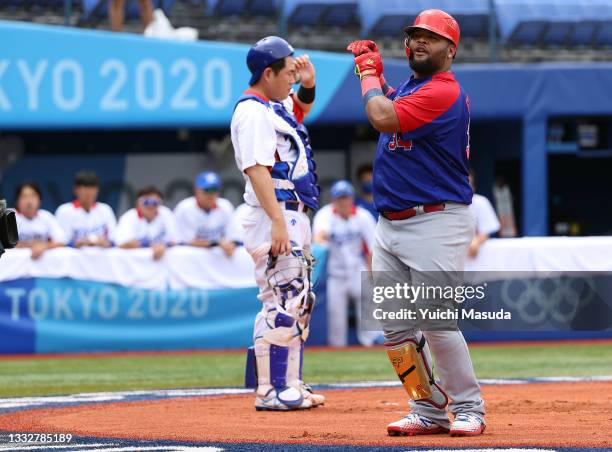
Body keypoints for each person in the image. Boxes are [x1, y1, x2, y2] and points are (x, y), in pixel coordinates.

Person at [347, 9, 486, 437]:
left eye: (431, 36)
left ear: (451, 49)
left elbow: (383, 116)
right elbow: (392, 102)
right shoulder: (414, 86)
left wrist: (369, 74)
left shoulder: (443, 90)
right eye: (415, 35)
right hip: (391, 223)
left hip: (436, 220)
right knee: (394, 325)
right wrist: (379, 80)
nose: (420, 41)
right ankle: (426, 409)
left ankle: (469, 407)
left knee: (437, 320)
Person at [231, 36, 324, 411]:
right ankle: (269, 390)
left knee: (297, 299)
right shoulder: (252, 111)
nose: (292, 79)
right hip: (275, 212)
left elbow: (300, 108)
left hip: (290, 212)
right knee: (283, 297)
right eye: (286, 74)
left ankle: (290, 383)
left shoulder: (273, 105)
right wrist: (277, 221)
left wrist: (308, 83)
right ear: (267, 73)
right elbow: (256, 169)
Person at [312, 180, 379, 347]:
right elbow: (318, 239)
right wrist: (323, 236)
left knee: (368, 310)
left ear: (351, 199)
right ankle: (338, 349)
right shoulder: (325, 215)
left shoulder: (363, 216)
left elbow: (372, 248)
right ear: (334, 200)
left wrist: (373, 276)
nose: (343, 202)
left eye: (346, 198)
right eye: (339, 198)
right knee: (336, 319)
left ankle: (369, 346)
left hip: (358, 269)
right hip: (336, 273)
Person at [174, 171, 236, 256]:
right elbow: (184, 242)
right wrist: (216, 244)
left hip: (219, 261)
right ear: (197, 190)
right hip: (191, 259)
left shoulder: (226, 206)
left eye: (214, 190)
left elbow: (232, 237)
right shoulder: (184, 208)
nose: (211, 194)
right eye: (207, 190)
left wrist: (230, 245)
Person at [114, 186, 179, 260]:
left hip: (160, 267)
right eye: (146, 202)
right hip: (134, 265)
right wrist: (150, 245)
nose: (151, 205)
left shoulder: (166, 214)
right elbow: (122, 244)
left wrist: (164, 245)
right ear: (138, 203)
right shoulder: (129, 217)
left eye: (155, 202)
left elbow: (175, 240)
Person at [55, 171, 116, 248]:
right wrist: (75, 244)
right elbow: (59, 241)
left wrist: (106, 242)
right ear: (75, 190)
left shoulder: (105, 210)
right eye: (85, 188)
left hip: (101, 258)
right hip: (73, 258)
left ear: (97, 190)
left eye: (92, 188)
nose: (89, 192)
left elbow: (114, 239)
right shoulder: (65, 211)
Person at [14, 182, 65, 260]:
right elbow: (3, 244)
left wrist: (44, 246)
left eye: (33, 196)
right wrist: (32, 245)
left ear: (39, 200)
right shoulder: (9, 216)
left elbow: (61, 241)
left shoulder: (46, 216)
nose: (29, 201)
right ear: (17, 201)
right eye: (24, 196)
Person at [468, 171, 500, 258]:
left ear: (473, 187)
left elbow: (487, 231)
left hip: (476, 259)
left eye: (469, 184)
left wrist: (476, 241)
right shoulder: (446, 204)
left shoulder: (481, 202)